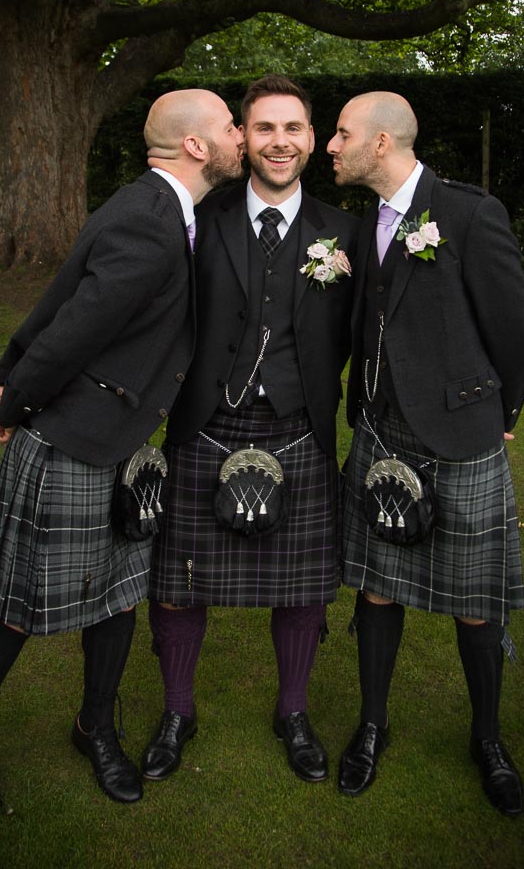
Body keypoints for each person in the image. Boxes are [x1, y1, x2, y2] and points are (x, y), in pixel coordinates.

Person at [0, 89, 244, 818]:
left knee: (116, 600)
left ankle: (95, 728)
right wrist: (18, 398)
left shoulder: (167, 210)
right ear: (197, 146)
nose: (241, 135)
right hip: (72, 443)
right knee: (15, 609)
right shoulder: (150, 218)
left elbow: (64, 295)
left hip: (123, 444)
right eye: (231, 125)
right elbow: (77, 323)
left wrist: (12, 371)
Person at [143, 74, 360, 785]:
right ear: (243, 134)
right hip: (204, 424)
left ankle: (293, 711)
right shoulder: (198, 219)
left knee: (303, 588)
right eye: (264, 127)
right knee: (180, 582)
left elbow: (370, 330)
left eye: (293, 127)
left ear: (312, 136)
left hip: (298, 428)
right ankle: (177, 711)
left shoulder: (344, 232)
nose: (279, 142)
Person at [327, 91, 524, 816]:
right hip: (381, 433)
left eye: (342, 134)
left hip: (460, 437)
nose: (331, 145)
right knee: (377, 588)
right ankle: (372, 726)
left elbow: (516, 332)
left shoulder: (470, 214)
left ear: (381, 142)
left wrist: (500, 413)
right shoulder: (365, 226)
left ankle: (488, 739)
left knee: (475, 603)